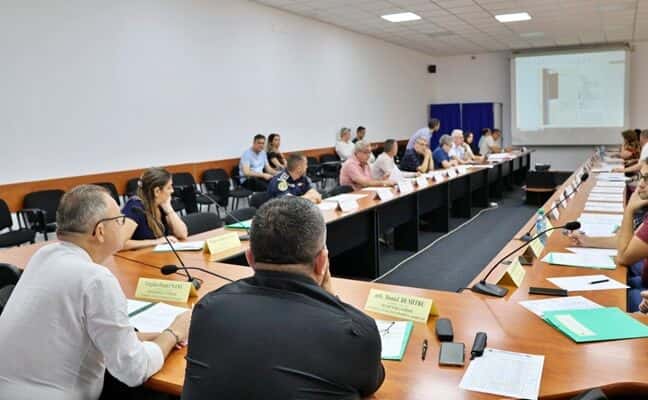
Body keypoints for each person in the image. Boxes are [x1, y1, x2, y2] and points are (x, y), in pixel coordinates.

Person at [182, 197, 385, 399]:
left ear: (249, 258)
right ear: (322, 262)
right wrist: (331, 298)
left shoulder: (207, 309)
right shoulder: (355, 330)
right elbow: (370, 384)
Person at [0, 185, 191, 400]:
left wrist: (147, 335)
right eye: (119, 220)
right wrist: (174, 332)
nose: (123, 224)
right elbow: (134, 370)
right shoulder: (96, 279)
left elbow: (75, 332)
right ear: (100, 231)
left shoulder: (44, 255)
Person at [122, 167, 188, 250]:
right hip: (140, 256)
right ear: (157, 191)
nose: (172, 191)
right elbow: (121, 244)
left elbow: (182, 234)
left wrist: (169, 209)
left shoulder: (162, 204)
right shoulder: (135, 207)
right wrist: (157, 242)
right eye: (169, 187)